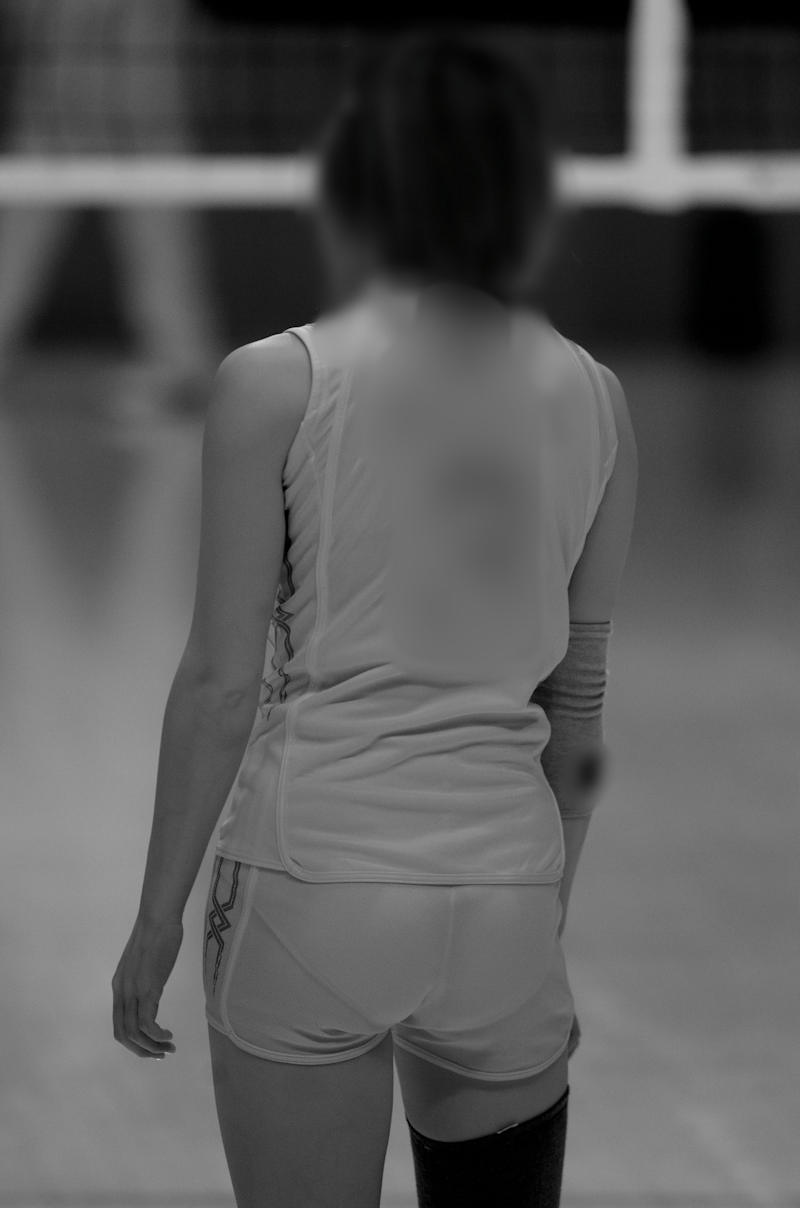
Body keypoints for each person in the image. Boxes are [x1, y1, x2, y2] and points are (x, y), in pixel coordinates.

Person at [112, 31, 637, 1208]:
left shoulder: (273, 381)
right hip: (505, 894)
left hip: (312, 883)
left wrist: (155, 918)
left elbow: (218, 683)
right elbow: (578, 706)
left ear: (356, 182)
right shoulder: (598, 396)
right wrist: (537, 916)